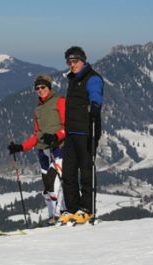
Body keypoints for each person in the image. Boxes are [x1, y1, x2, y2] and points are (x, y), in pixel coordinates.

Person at [8, 74, 66, 225]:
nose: (40, 90)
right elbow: (36, 135)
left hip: (58, 149)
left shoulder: (59, 101)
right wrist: (21, 147)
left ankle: (62, 213)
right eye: (37, 88)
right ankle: (52, 216)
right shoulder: (38, 109)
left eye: (43, 87)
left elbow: (68, 127)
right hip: (43, 151)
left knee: (55, 183)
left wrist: (56, 136)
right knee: (47, 188)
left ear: (49, 87)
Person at [58, 46, 104, 225]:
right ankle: (72, 209)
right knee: (68, 173)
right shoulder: (73, 80)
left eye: (75, 61)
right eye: (69, 62)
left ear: (83, 60)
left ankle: (86, 209)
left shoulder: (92, 77)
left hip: (87, 132)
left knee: (86, 172)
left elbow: (96, 93)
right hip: (71, 133)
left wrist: (95, 106)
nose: (72, 65)